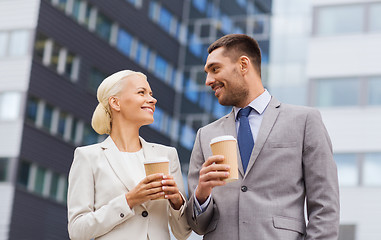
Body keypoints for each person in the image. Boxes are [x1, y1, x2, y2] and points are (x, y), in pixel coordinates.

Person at [186, 34, 340, 240]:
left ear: (243, 65)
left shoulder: (304, 121)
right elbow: (198, 226)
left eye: (215, 69)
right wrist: (201, 194)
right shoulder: (205, 135)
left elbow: (325, 206)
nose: (208, 81)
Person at [67, 70, 191, 240]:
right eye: (142, 92)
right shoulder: (88, 157)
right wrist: (129, 200)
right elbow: (77, 231)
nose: (152, 99)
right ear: (115, 102)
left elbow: (183, 232)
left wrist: (177, 201)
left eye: (151, 94)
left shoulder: (167, 155)